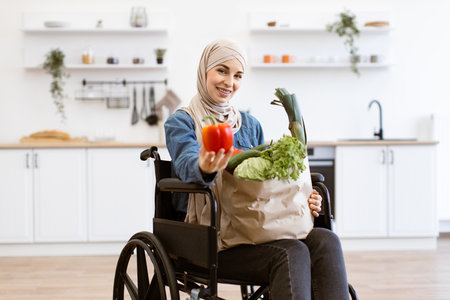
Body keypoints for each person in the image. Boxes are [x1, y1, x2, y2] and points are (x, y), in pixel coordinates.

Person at [164, 39, 349, 299]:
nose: (230, 82)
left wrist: (302, 197)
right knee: (291, 252)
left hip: (257, 227)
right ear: (204, 70)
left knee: (326, 240)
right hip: (213, 238)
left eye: (238, 75)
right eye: (222, 71)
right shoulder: (181, 122)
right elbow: (185, 163)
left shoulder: (250, 125)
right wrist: (204, 166)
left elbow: (267, 184)